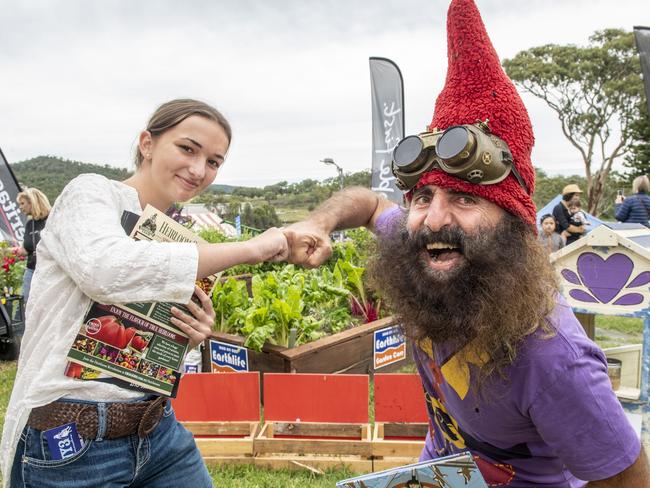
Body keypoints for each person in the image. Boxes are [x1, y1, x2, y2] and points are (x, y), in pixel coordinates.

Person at [284, 1, 648, 485]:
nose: (434, 220)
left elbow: (626, 479)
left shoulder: (551, 359)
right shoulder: (426, 247)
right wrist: (318, 221)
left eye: (464, 198)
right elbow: (369, 204)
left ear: (514, 223)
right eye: (423, 197)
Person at [0, 99, 289, 488]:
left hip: (157, 429)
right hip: (72, 442)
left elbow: (140, 351)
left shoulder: (175, 235)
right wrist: (250, 249)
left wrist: (188, 336)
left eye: (214, 161)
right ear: (147, 144)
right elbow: (104, 268)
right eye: (187, 148)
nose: (199, 169)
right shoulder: (91, 193)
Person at [14, 188, 52, 304]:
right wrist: (5, 250)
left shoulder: (52, 219)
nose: (20, 207)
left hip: (49, 273)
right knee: (28, 306)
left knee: (46, 307)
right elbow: (25, 250)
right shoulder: (30, 224)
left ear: (33, 202)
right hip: (31, 271)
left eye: (22, 203)